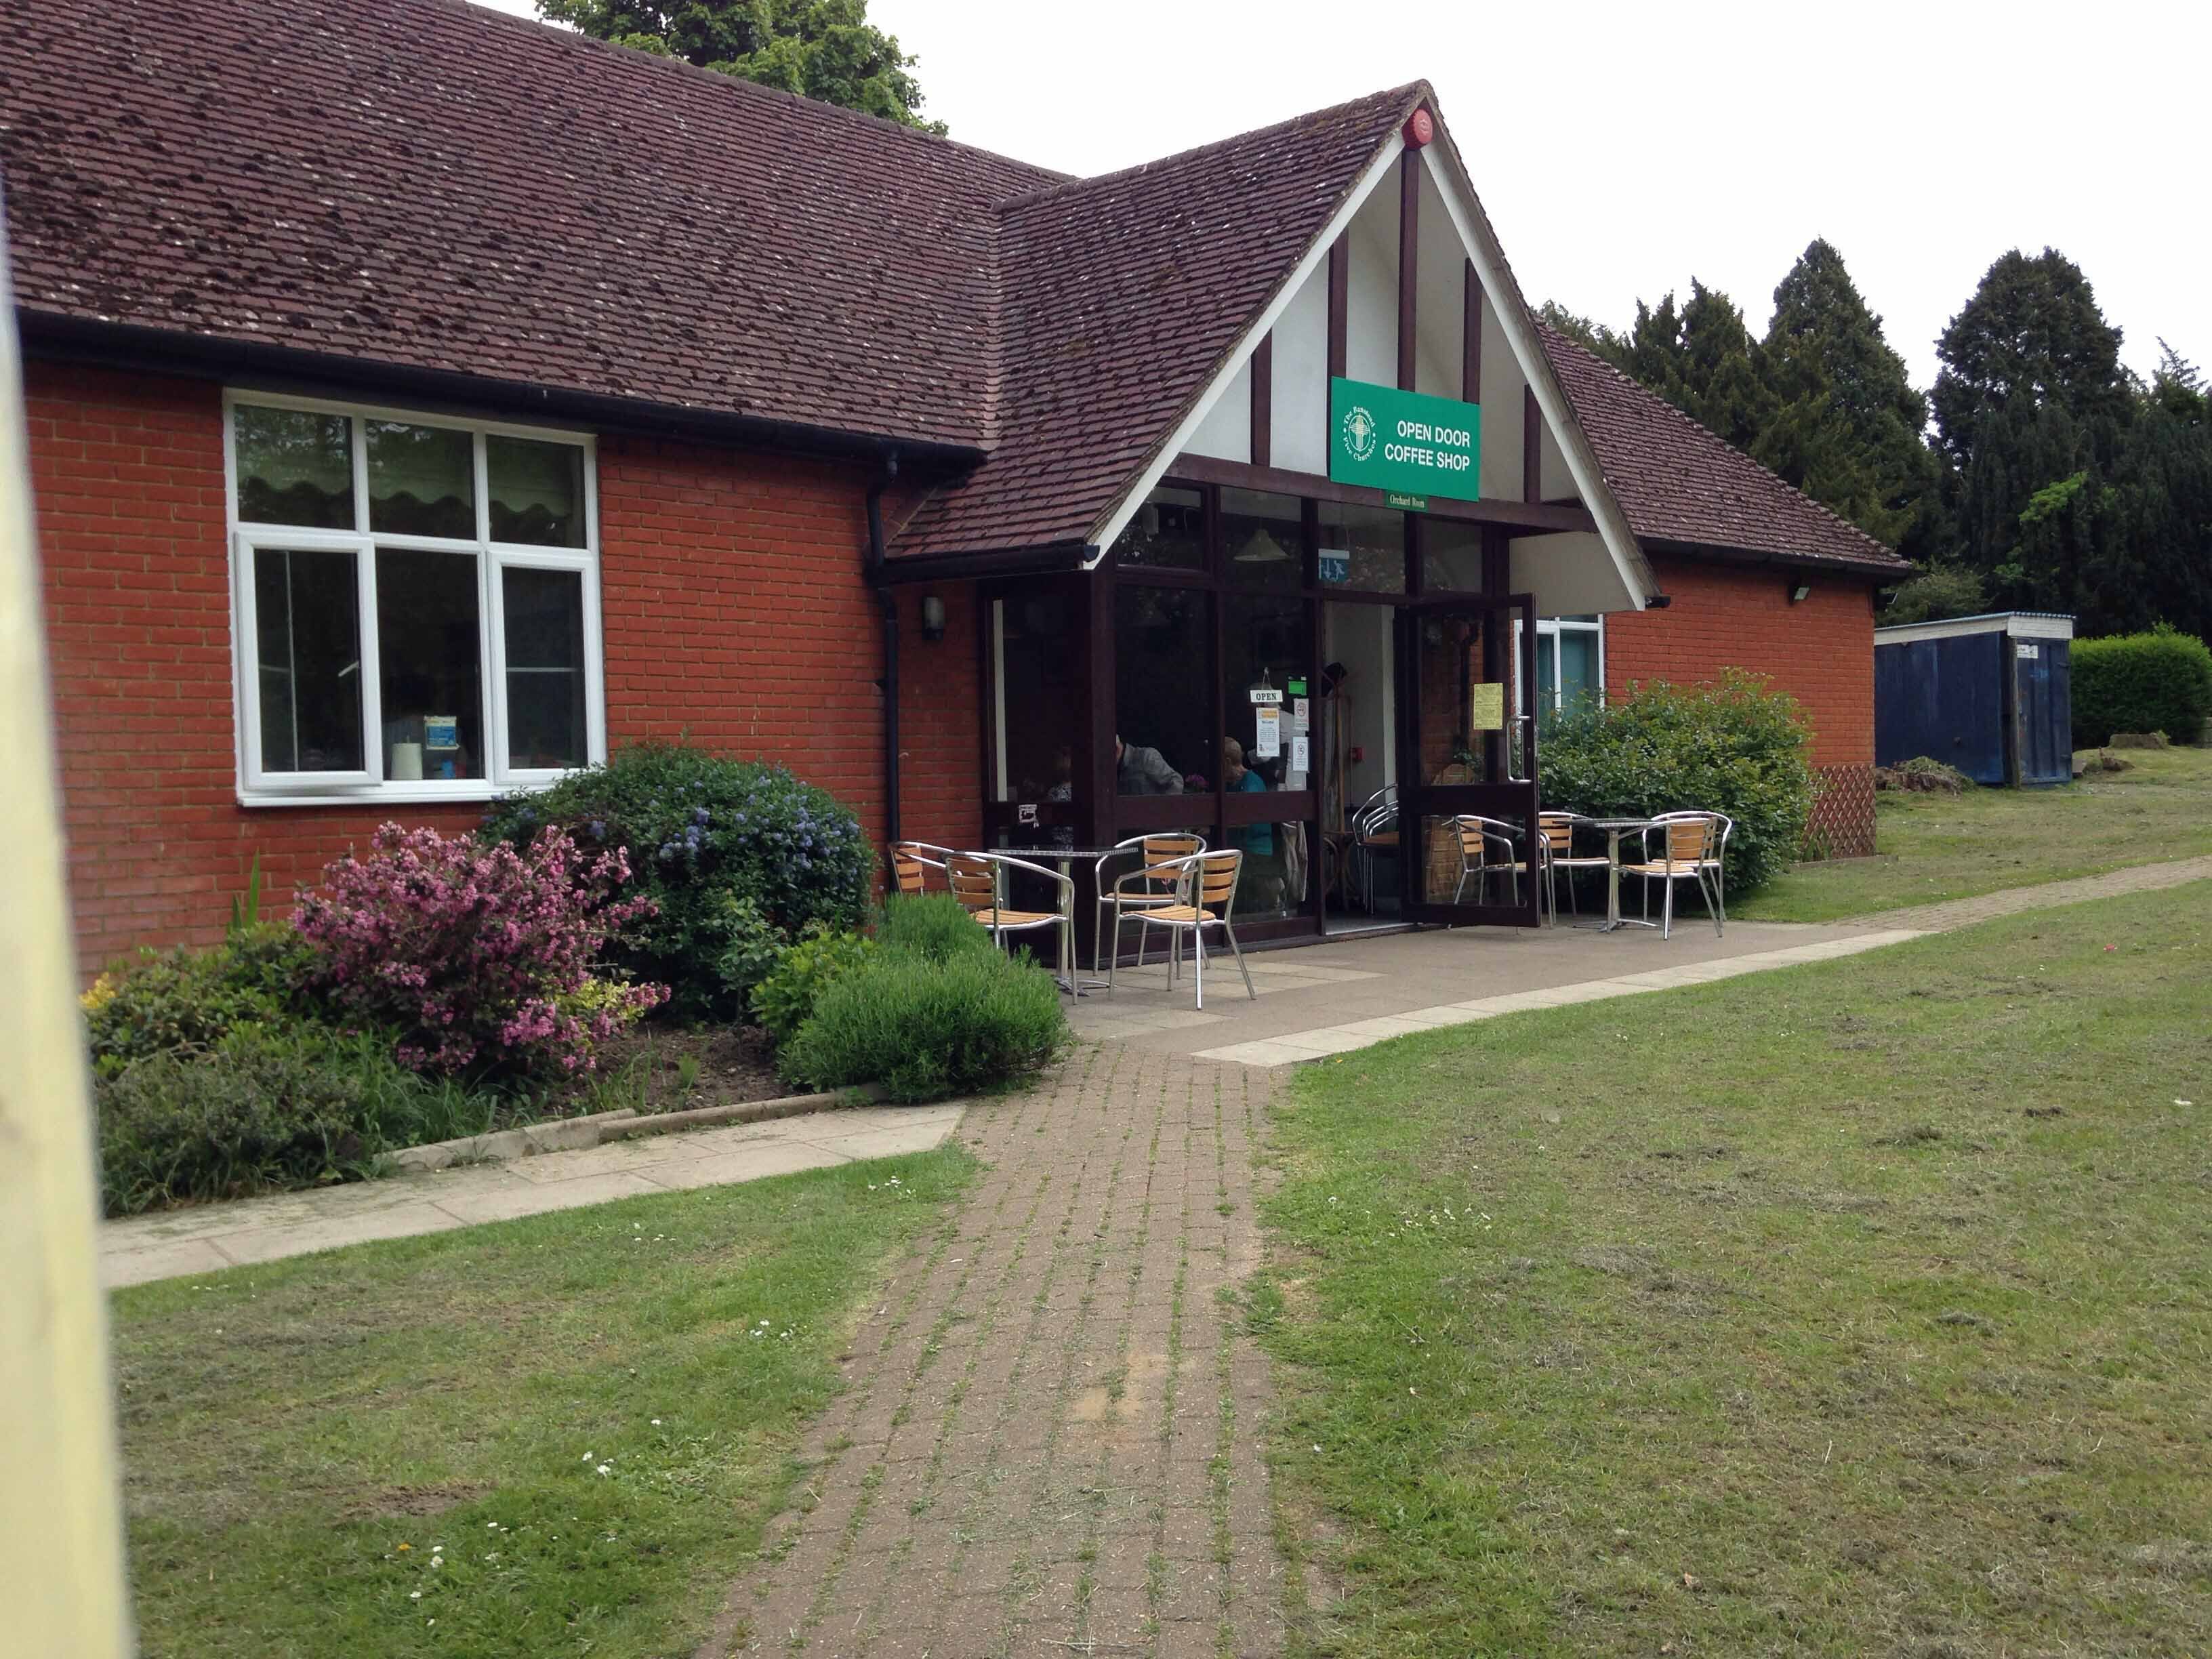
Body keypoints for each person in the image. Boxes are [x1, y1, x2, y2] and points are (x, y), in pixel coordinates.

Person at [1115, 732, 1183, 796]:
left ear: (1116, 749)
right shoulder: (1115, 770)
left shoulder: (1146, 757)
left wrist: (1162, 807)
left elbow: (1176, 782)